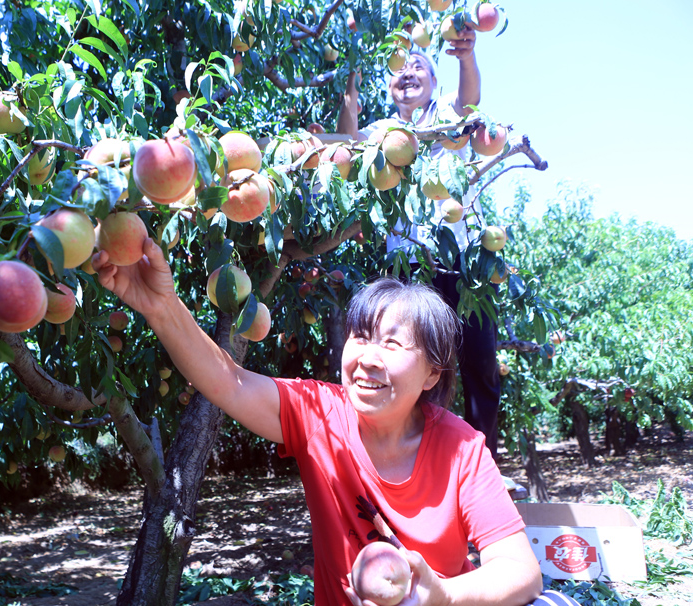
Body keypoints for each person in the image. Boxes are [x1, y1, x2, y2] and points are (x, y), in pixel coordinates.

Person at [92, 238, 579, 606]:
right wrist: (161, 307)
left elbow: (520, 570)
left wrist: (443, 595)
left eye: (391, 343)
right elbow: (228, 383)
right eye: (359, 336)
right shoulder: (317, 414)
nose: (366, 358)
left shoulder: (462, 449)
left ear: (433, 372)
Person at [337, 27, 502, 460]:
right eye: (400, 70)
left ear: (433, 82)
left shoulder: (447, 117)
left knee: (481, 361)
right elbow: (348, 144)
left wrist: (465, 56)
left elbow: (471, 100)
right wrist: (351, 82)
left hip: (462, 262)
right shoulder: (382, 132)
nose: (408, 74)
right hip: (408, 270)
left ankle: (485, 461)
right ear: (389, 84)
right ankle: (421, 461)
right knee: (415, 366)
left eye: (419, 68)